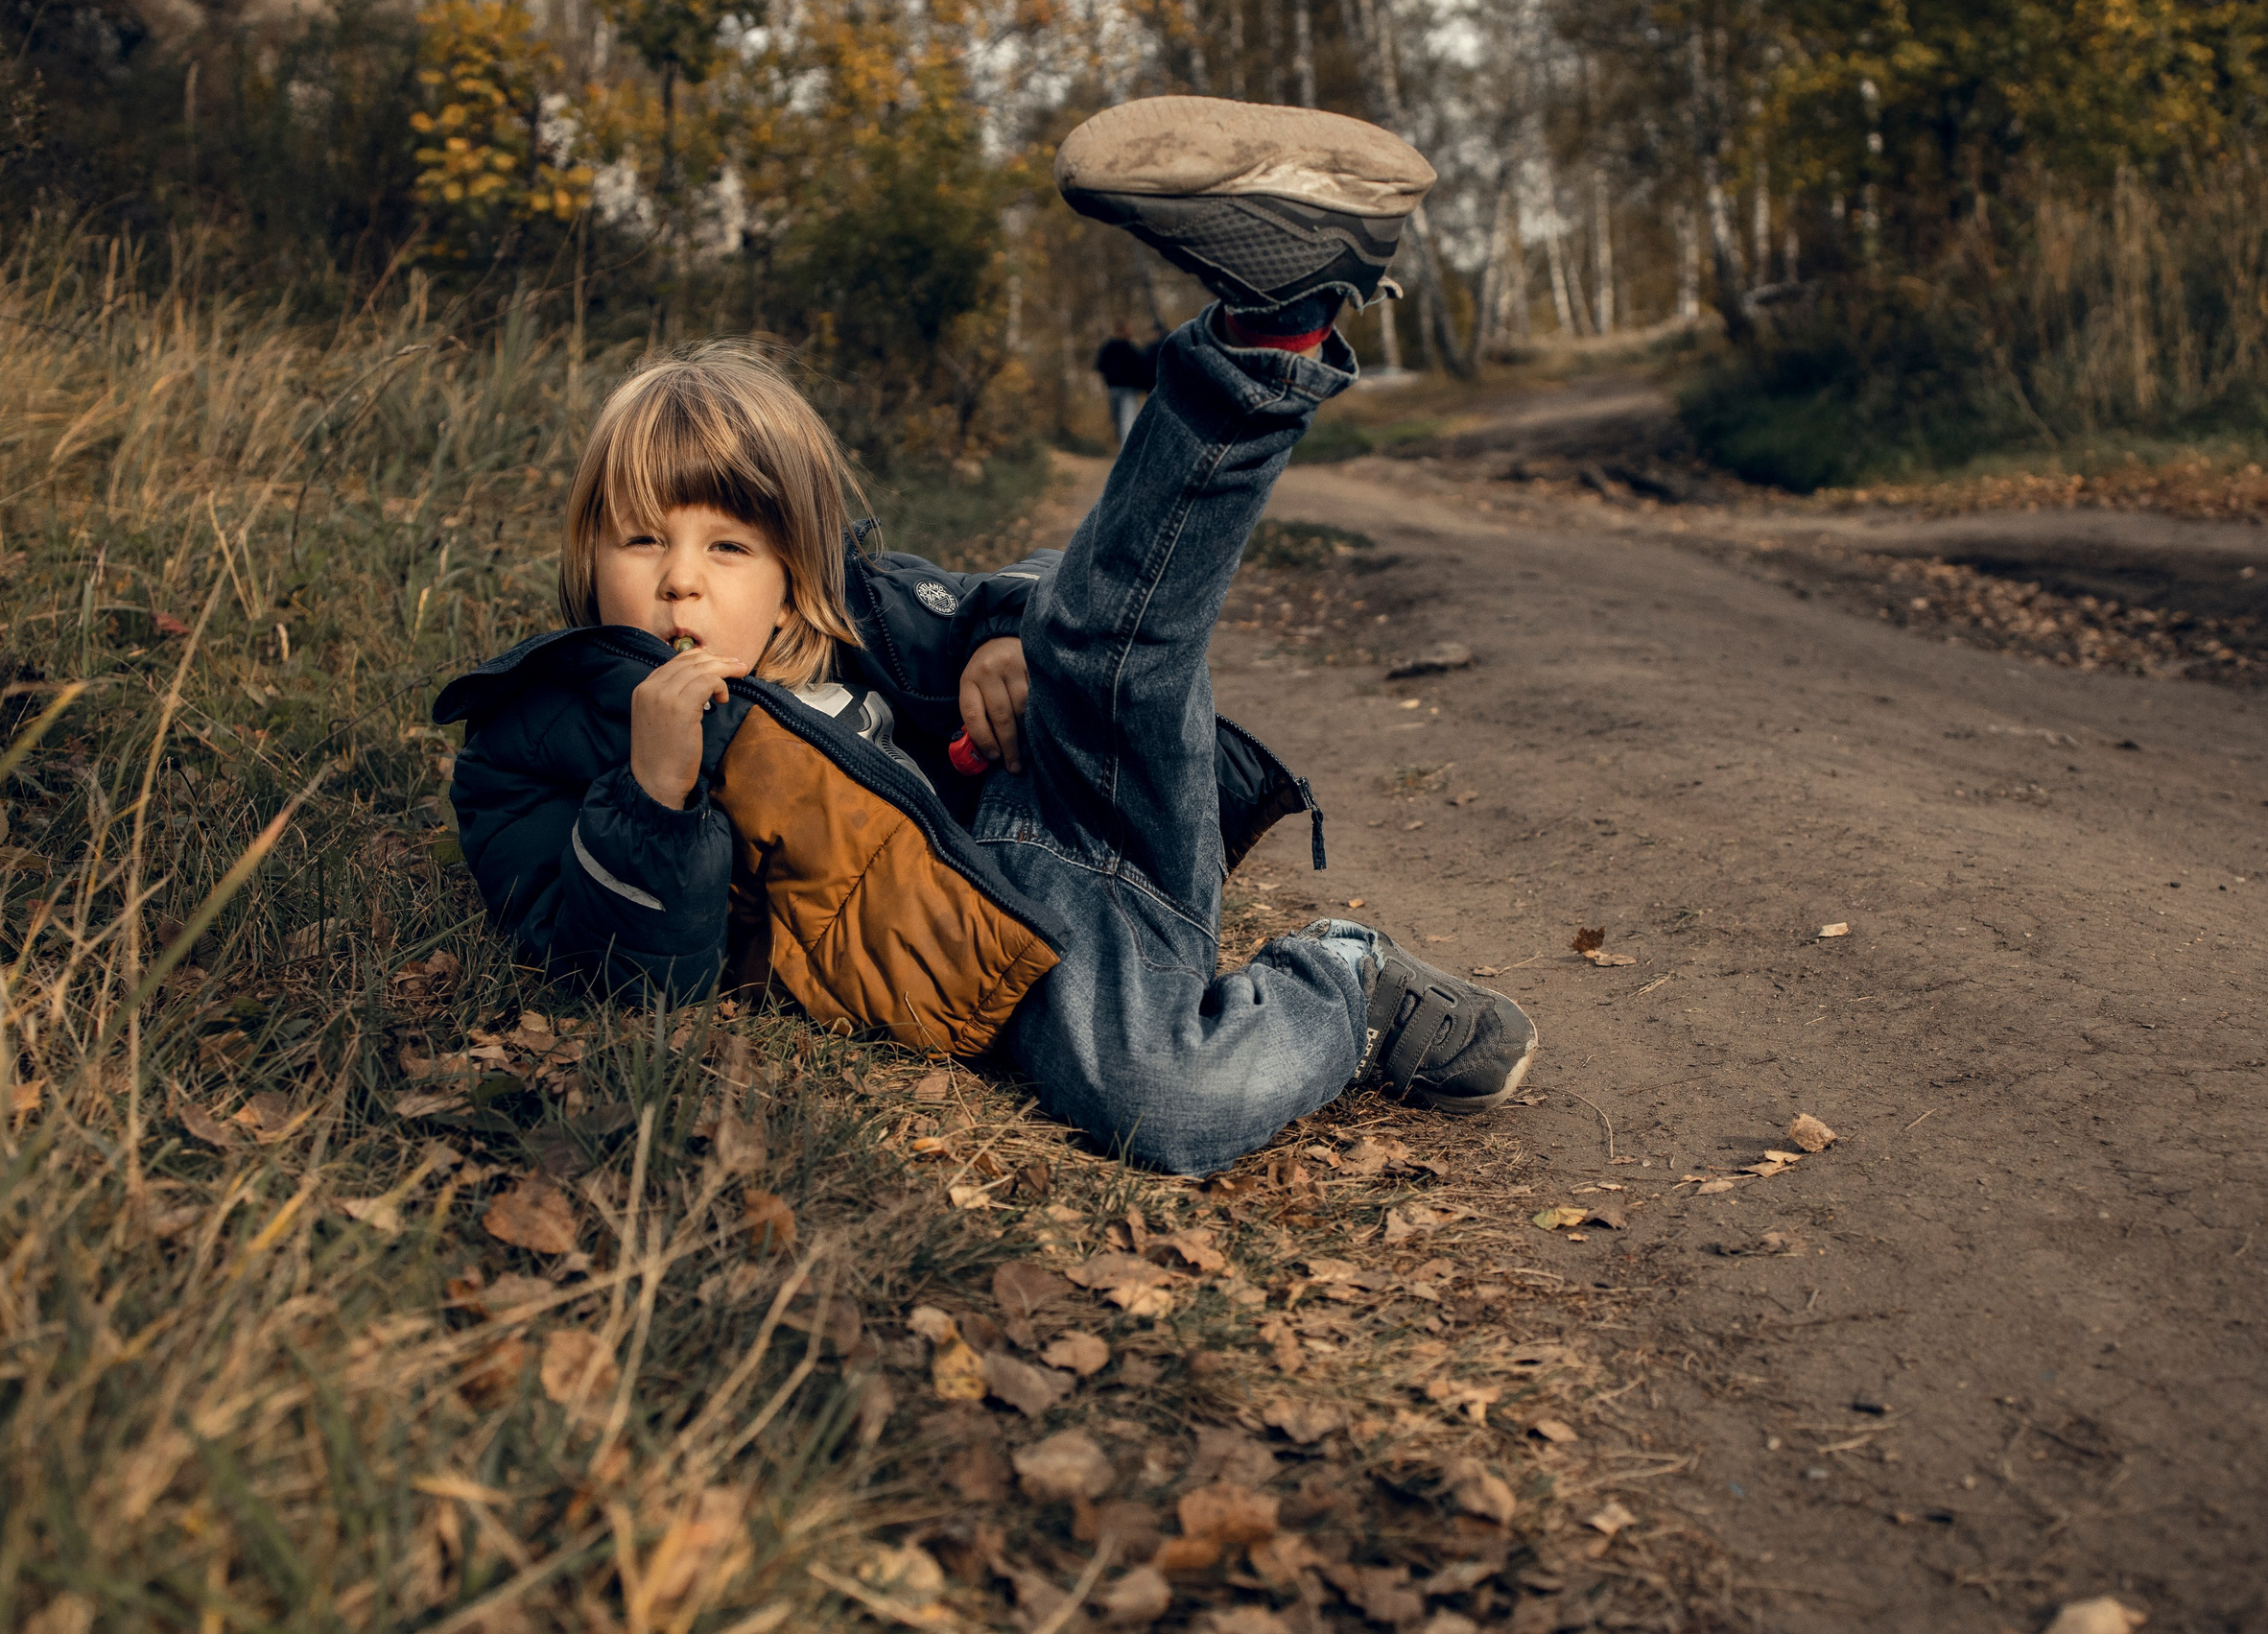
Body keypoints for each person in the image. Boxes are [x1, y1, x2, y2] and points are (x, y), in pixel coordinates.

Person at [434, 96, 1537, 1176]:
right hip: (1017, 945)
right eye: (639, 539)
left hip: (1073, 789)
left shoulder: (851, 618)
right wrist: (649, 797)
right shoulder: (527, 744)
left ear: (790, 576)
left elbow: (1014, 592)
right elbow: (625, 983)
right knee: (1155, 1095)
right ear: (586, 553)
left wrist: (999, 635)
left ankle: (1274, 323)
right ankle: (1351, 981)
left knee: (1100, 645)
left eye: (728, 547)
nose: (678, 580)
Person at [1094, 318, 1156, 444]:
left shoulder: (1109, 347)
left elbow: (1100, 366)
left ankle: (1125, 454)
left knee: (1122, 423)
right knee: (1124, 424)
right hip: (1126, 391)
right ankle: (1125, 454)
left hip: (1116, 389)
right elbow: (1142, 370)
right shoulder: (1130, 349)